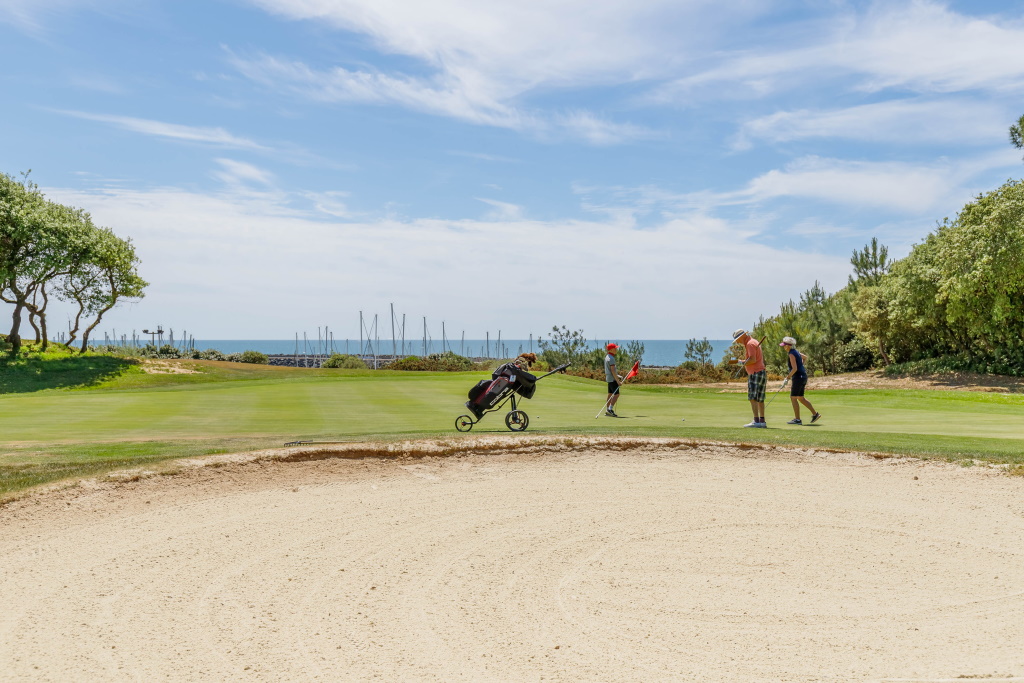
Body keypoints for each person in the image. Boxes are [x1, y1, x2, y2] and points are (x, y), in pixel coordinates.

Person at [780, 336, 821, 425]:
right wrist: (801, 366)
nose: (783, 347)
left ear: (788, 346)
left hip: (798, 377)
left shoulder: (791, 354)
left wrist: (787, 377)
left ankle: (797, 419)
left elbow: (794, 368)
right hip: (803, 376)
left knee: (793, 398)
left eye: (784, 345)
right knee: (800, 398)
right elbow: (805, 357)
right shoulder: (796, 352)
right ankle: (815, 414)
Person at [732, 329, 767, 428]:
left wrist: (741, 363)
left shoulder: (750, 344)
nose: (738, 342)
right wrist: (741, 361)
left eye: (738, 339)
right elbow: (752, 359)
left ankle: (756, 421)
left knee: (753, 397)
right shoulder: (753, 342)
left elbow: (752, 360)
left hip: (755, 372)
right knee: (760, 398)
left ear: (742, 336)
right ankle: (762, 421)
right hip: (760, 372)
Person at [603, 343, 622, 417]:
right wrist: (618, 381)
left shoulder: (607, 357)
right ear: (611, 349)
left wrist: (618, 376)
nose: (616, 349)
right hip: (612, 379)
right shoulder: (611, 358)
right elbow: (612, 370)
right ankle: (610, 409)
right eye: (615, 348)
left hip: (609, 378)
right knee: (617, 394)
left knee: (610, 394)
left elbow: (611, 371)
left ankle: (607, 409)